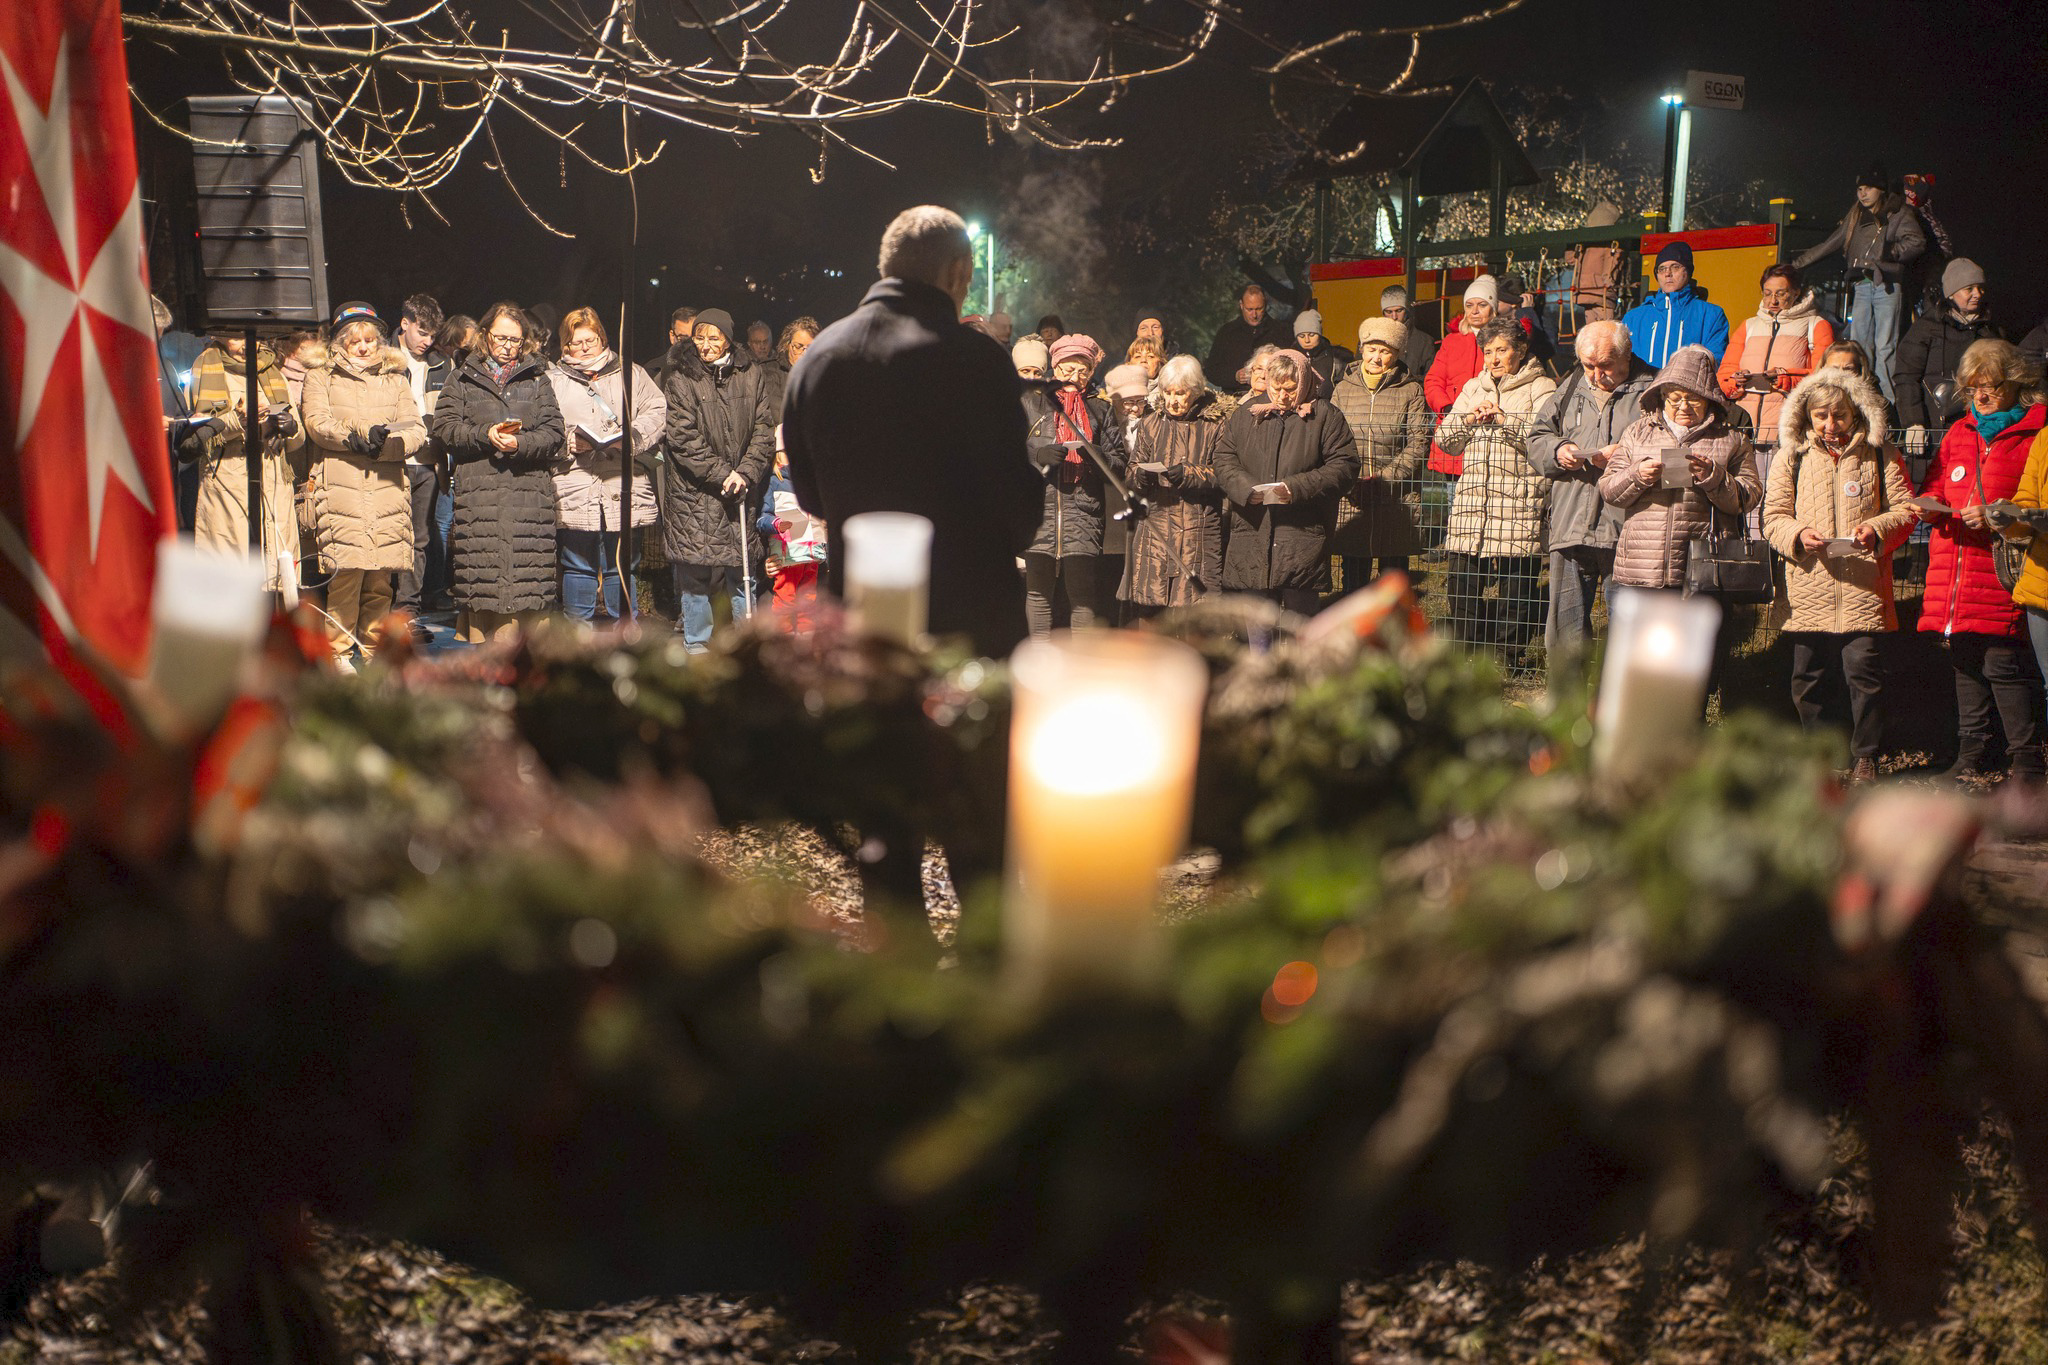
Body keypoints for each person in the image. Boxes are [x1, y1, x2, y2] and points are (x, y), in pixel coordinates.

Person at [784, 205, 1043, 657]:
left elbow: (809, 496)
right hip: (972, 630)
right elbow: (1017, 511)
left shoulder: (818, 360)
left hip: (867, 627)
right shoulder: (978, 361)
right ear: (959, 272)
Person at [1760, 368, 1915, 783]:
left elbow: (1905, 509)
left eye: (1840, 416)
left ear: (1856, 414)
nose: (1831, 426)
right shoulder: (1791, 457)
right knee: (1807, 677)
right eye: (1821, 417)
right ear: (1806, 418)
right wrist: (1798, 534)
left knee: (1863, 672)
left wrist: (1877, 529)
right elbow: (1772, 517)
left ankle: (1866, 755)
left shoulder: (1881, 455)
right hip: (1809, 585)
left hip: (1862, 585)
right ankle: (1821, 753)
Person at [1911, 339, 2046, 781]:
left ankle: (2025, 763)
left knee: (2004, 664)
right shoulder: (1958, 432)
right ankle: (1971, 759)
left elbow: (2030, 499)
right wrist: (1930, 502)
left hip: (2001, 566)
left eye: (1990, 386)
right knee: (1965, 659)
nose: (1981, 397)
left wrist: (1996, 515)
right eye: (1973, 389)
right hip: (1955, 564)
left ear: (2015, 384)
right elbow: (1935, 480)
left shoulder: (2035, 433)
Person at [1598, 345, 1762, 692]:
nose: (1683, 407)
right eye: (1674, 398)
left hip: (1700, 569)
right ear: (1661, 397)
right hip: (1643, 567)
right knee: (1641, 661)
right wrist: (1639, 474)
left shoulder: (1730, 439)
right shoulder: (1637, 433)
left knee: (1694, 662)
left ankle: (1689, 729)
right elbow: (1609, 490)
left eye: (1694, 399)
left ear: (1710, 400)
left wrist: (1713, 476)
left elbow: (1749, 497)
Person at [430, 301, 566, 643]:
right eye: (501, 338)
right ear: (485, 335)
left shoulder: (537, 380)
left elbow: (554, 434)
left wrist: (520, 444)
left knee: (527, 582)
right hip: (481, 497)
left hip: (528, 498)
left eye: (515, 340)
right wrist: (483, 435)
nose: (508, 346)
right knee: (486, 579)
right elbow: (444, 430)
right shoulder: (460, 378)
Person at [299, 304, 426, 668]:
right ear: (341, 342)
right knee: (346, 574)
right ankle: (337, 652)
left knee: (380, 578)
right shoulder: (322, 376)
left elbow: (415, 427)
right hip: (342, 486)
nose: (364, 347)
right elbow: (316, 421)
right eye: (356, 341)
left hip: (386, 485)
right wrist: (353, 437)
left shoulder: (395, 378)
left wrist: (386, 444)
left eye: (370, 340)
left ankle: (373, 651)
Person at [1527, 319, 1655, 664]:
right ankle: (1565, 712)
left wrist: (1625, 458)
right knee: (1565, 632)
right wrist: (1558, 451)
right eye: (1589, 366)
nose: (1596, 376)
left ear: (1627, 357)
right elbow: (1537, 438)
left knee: (1627, 633)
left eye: (1606, 367)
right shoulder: (1569, 386)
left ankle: (1617, 708)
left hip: (1628, 530)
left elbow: (1671, 450)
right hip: (1571, 524)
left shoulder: (1655, 392)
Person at [1435, 319, 1557, 660]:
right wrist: (1468, 419)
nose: (1493, 358)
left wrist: (1505, 420)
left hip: (1518, 503)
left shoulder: (1541, 387)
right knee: (1462, 587)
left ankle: (1508, 657)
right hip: (1473, 504)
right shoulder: (1474, 387)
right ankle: (1463, 655)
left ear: (1520, 350)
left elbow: (1543, 442)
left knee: (1515, 591)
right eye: (1487, 351)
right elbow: (1445, 441)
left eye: (1501, 350)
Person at [1211, 349, 1361, 613]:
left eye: (1291, 389)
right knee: (1256, 624)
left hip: (1300, 534)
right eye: (1275, 388)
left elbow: (1344, 466)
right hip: (1253, 529)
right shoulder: (1247, 413)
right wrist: (1246, 489)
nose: (1282, 396)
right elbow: (1224, 459)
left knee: (1299, 623)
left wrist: (1297, 488)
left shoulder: (1324, 416)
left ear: (1304, 383)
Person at [662, 307, 776, 651]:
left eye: (714, 337)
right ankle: (696, 646)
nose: (706, 344)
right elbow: (682, 437)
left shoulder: (750, 373)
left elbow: (763, 429)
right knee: (695, 575)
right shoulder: (680, 376)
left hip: (739, 490)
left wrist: (744, 473)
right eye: (700, 337)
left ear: (728, 339)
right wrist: (721, 473)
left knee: (741, 573)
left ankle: (746, 647)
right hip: (694, 494)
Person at [548, 308, 665, 623]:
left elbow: (656, 410)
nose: (585, 347)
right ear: (565, 346)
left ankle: (624, 635)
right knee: (577, 565)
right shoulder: (552, 380)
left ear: (602, 338)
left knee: (622, 564)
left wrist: (633, 439)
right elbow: (543, 426)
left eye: (591, 339)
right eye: (577, 342)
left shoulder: (631, 373)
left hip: (622, 483)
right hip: (574, 482)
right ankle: (578, 639)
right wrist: (566, 443)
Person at [179, 332, 304, 591]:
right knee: (229, 580)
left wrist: (290, 427)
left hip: (273, 484)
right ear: (220, 336)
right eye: (237, 337)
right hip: (228, 482)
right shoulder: (206, 369)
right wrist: (238, 419)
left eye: (253, 337)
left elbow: (298, 439)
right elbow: (194, 439)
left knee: (275, 577)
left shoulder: (272, 372)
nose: (247, 343)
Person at [1792, 165, 1926, 404]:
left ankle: (1888, 405)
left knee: (1886, 346)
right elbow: (1831, 243)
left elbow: (1916, 242)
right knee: (1861, 346)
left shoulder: (1898, 212)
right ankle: (1860, 399)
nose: (1862, 193)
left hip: (1888, 284)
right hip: (1862, 284)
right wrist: (1797, 264)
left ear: (1881, 189)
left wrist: (1889, 254)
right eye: (1859, 188)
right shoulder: (1856, 215)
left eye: (1868, 188)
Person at [1020, 334, 1124, 635]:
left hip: (1083, 510)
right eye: (1068, 370)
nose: (1075, 377)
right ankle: (1038, 658)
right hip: (1040, 508)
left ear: (1092, 372)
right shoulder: (1032, 402)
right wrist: (1037, 454)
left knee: (1082, 596)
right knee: (1037, 592)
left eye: (1083, 371)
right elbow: (1005, 451)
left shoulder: (1099, 410)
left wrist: (1098, 456)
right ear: (1055, 368)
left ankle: (1083, 662)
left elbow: (1119, 464)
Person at [1328, 316, 1429, 596]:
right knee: (1353, 585)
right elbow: (1331, 441)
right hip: (1353, 495)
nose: (1377, 357)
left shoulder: (1411, 390)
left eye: (1385, 351)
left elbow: (1418, 444)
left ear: (1397, 355)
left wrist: (1382, 481)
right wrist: (1351, 482)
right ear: (1361, 348)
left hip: (1396, 499)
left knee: (1393, 585)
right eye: (1372, 348)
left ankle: (1394, 640)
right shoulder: (1342, 390)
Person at [1122, 354, 1227, 616]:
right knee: (1150, 609)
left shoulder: (1216, 424)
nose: (1173, 400)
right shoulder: (1151, 423)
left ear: (1195, 391)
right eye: (1168, 393)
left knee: (1195, 613)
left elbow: (1226, 473)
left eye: (1180, 393)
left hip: (1198, 529)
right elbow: (1132, 469)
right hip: (1156, 527)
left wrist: (1189, 474)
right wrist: (1141, 477)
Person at [1895, 259, 2004, 479]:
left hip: (1977, 427)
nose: (1977, 294)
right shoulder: (1926, 328)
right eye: (1969, 288)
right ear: (1952, 293)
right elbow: (1906, 376)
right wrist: (1913, 421)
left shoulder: (1990, 330)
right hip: (1933, 429)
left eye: (1980, 288)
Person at [1718, 264, 1833, 453]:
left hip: (1788, 431)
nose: (1773, 300)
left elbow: (1823, 378)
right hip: (1742, 430)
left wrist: (1785, 380)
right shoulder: (1748, 326)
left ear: (1796, 292)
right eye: (1767, 293)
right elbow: (1725, 373)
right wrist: (1734, 381)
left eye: (1781, 293)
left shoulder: (1816, 326)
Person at [393, 293, 455, 631]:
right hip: (392, 458)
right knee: (388, 534)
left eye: (433, 335)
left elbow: (450, 408)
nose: (427, 341)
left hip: (427, 461)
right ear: (405, 323)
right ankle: (377, 603)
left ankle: (407, 608)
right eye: (422, 333)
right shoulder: (383, 356)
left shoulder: (443, 363)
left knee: (419, 538)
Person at [1423, 274, 1501, 477]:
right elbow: (1433, 381)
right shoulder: (1451, 341)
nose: (1474, 311)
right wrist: (1447, 409)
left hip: (1489, 426)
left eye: (1482, 304)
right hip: (1455, 427)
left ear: (1493, 308)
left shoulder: (1502, 341)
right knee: (1454, 500)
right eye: (1469, 305)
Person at [1619, 241, 1730, 369]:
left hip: (1688, 388)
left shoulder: (1712, 315)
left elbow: (1716, 361)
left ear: (1688, 271)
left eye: (1675, 267)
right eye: (1662, 269)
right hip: (1642, 389)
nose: (1668, 273)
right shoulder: (1633, 317)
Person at [1099, 362, 1150, 623]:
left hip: (1144, 511)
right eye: (1126, 402)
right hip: (1111, 513)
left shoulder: (1152, 422)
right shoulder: (1103, 422)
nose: (1133, 408)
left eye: (1139, 401)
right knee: (1111, 582)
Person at [1204, 284, 1294, 393]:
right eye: (1249, 309)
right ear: (1241, 305)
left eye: (1258, 309)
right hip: (1233, 397)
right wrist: (1234, 376)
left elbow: (1292, 367)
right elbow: (1211, 370)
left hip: (1272, 397)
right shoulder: (1227, 332)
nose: (1254, 315)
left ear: (1265, 305)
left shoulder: (1282, 332)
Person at [1563, 202, 1624, 330]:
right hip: (1601, 291)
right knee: (1605, 329)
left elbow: (1570, 259)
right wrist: (1610, 280)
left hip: (1584, 289)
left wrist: (1572, 243)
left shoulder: (1585, 244)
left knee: (1591, 327)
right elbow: (1613, 264)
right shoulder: (1611, 245)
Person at [1379, 285, 1436, 377]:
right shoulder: (1371, 339)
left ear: (1406, 310)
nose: (1394, 317)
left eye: (1399, 310)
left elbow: (1430, 379)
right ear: (1383, 313)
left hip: (1412, 390)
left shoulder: (1425, 342)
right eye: (1389, 312)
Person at [1292, 309, 1354, 394]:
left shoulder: (1337, 359)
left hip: (1328, 406)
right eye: (1301, 336)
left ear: (1320, 334)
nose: (1307, 340)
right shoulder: (1289, 359)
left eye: (1312, 335)